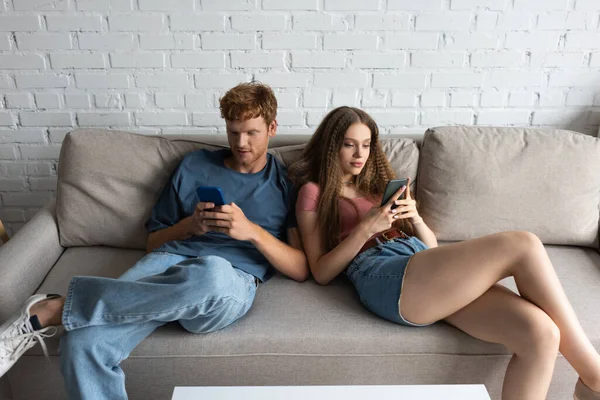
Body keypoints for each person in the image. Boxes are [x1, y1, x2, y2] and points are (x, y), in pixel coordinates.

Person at [0, 82, 309, 399]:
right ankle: (71, 311)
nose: (240, 143)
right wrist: (190, 225)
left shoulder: (284, 183)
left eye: (251, 133)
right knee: (82, 343)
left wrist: (251, 231)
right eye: (233, 132)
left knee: (212, 273)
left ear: (272, 127)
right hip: (170, 260)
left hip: (228, 281)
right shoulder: (194, 165)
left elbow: (300, 268)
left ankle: (62, 306)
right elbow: (154, 243)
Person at [290, 106, 600, 400]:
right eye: (349, 145)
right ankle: (595, 377)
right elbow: (321, 271)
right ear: (332, 147)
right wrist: (366, 228)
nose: (360, 154)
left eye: (366, 145)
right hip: (382, 273)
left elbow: (430, 248)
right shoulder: (313, 192)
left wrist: (414, 219)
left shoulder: (375, 185)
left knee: (541, 334)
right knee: (524, 244)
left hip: (418, 266)